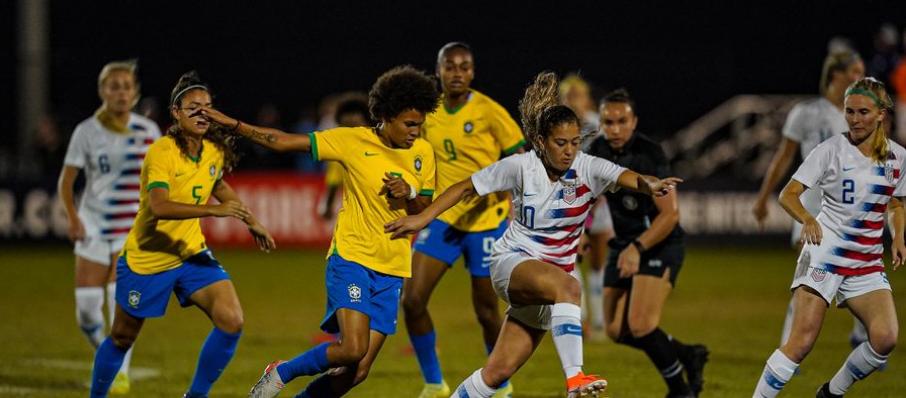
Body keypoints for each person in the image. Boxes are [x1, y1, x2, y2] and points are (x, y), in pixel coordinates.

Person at [385, 71, 682, 398]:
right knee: (570, 286)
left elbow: (629, 177)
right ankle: (575, 378)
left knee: (496, 373)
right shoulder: (521, 166)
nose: (569, 151)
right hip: (513, 264)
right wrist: (422, 217)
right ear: (541, 141)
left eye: (574, 142)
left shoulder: (588, 168)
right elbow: (465, 187)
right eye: (560, 143)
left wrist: (650, 183)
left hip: (549, 284)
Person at [199, 65, 440, 398]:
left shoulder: (423, 154)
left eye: (420, 123)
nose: (416, 131)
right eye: (409, 124)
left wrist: (410, 194)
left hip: (393, 268)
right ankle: (281, 372)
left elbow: (423, 212)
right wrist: (234, 124)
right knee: (352, 348)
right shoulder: (353, 141)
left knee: (357, 373)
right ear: (385, 115)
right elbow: (282, 142)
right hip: (353, 256)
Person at [88, 71, 275, 398]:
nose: (202, 113)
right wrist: (214, 212)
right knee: (122, 337)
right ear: (176, 112)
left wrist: (251, 220)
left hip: (190, 254)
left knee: (231, 320)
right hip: (149, 257)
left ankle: (195, 396)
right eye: (193, 107)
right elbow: (159, 207)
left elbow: (219, 185)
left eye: (207, 106)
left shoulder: (213, 151)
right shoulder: (162, 152)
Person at [753, 77, 903, 398]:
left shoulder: (898, 159)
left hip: (865, 262)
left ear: (881, 114)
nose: (854, 119)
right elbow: (788, 194)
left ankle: (831, 393)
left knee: (885, 337)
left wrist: (899, 236)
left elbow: (895, 202)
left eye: (863, 112)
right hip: (824, 253)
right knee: (801, 343)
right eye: (849, 112)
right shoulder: (830, 150)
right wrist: (807, 218)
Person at [405, 42, 525, 398]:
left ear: (472, 72)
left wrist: (510, 199)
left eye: (464, 67)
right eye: (450, 66)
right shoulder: (428, 112)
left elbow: (518, 159)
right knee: (412, 300)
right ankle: (433, 383)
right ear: (438, 70)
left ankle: (499, 384)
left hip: (488, 223)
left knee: (487, 313)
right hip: (443, 220)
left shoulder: (489, 111)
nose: (457, 73)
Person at [587, 89, 708, 398]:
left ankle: (680, 390)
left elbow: (669, 216)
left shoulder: (650, 154)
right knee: (617, 331)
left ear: (634, 121)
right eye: (608, 122)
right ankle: (687, 354)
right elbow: (585, 197)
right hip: (624, 245)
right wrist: (582, 235)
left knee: (640, 325)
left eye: (621, 121)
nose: (614, 129)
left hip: (658, 244)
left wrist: (637, 249)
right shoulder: (595, 151)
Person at [58, 60, 161, 394]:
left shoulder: (149, 132)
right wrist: (73, 218)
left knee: (120, 301)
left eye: (126, 86)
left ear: (135, 92)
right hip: (92, 226)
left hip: (131, 229)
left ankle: (119, 372)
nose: (120, 92)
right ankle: (105, 354)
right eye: (113, 86)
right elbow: (67, 180)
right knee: (87, 312)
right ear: (103, 91)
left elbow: (161, 179)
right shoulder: (86, 131)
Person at [751, 50, 867, 347]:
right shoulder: (805, 112)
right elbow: (784, 156)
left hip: (849, 208)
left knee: (857, 271)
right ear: (835, 75)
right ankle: (789, 346)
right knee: (807, 279)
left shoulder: (860, 114)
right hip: (809, 207)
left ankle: (861, 334)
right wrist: (764, 197)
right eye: (854, 72)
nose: (860, 78)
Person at [319, 94, 372, 220]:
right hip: (358, 216)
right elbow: (333, 182)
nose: (352, 118)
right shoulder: (340, 151)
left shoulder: (383, 143)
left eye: (355, 114)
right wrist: (328, 205)